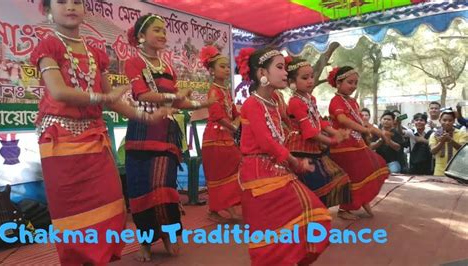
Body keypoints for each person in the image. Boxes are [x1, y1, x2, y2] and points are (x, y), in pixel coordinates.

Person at [31, 1, 175, 264]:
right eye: (61, 1)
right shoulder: (48, 46)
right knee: (73, 214)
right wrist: (103, 96)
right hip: (60, 139)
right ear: (49, 9)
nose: (70, 7)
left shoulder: (96, 52)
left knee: (111, 205)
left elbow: (112, 102)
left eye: (77, 2)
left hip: (95, 138)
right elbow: (60, 92)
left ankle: (101, 258)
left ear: (85, 9)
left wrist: (146, 115)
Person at [124, 14, 216, 261]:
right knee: (141, 190)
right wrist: (174, 97)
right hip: (142, 131)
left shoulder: (167, 67)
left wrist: (202, 102)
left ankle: (167, 236)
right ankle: (145, 242)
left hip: (166, 133)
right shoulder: (133, 63)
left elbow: (180, 100)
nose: (163, 34)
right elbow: (142, 95)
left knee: (165, 189)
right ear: (141, 36)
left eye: (165, 30)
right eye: (157, 30)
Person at [235, 47, 331, 265]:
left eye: (285, 68)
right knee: (273, 235)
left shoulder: (275, 101)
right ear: (262, 74)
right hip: (258, 176)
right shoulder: (252, 104)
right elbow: (267, 142)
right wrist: (296, 163)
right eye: (279, 68)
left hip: (277, 171)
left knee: (316, 218)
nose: (285, 73)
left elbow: (281, 135)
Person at [285, 56, 352, 209]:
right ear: (292, 83)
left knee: (336, 178)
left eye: (312, 76)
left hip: (313, 148)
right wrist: (333, 140)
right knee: (312, 187)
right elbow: (310, 131)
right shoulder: (295, 102)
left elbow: (318, 121)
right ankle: (309, 217)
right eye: (305, 77)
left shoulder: (311, 98)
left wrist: (335, 132)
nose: (310, 81)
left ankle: (315, 216)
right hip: (299, 150)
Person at [327, 66, 390, 219]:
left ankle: (362, 199)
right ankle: (345, 208)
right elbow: (342, 120)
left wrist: (380, 133)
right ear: (338, 82)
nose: (354, 86)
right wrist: (364, 130)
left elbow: (362, 121)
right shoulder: (335, 101)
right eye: (350, 82)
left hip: (356, 145)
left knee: (377, 166)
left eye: (356, 83)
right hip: (343, 146)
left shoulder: (353, 102)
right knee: (356, 176)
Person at [199, 45, 242, 222]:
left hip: (226, 136)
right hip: (215, 138)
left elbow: (235, 113)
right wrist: (234, 126)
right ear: (211, 70)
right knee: (220, 174)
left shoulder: (225, 91)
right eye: (222, 66)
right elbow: (218, 116)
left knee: (231, 170)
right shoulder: (214, 91)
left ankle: (227, 207)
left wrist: (236, 123)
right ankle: (216, 210)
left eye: (227, 67)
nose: (226, 70)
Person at [429, 108, 468, 176]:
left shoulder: (462, 133)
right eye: (444, 120)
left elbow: (463, 151)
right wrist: (442, 142)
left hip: (457, 172)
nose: (447, 123)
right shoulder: (434, 134)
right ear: (440, 121)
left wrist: (450, 140)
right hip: (439, 172)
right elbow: (433, 151)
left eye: (450, 120)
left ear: (454, 121)